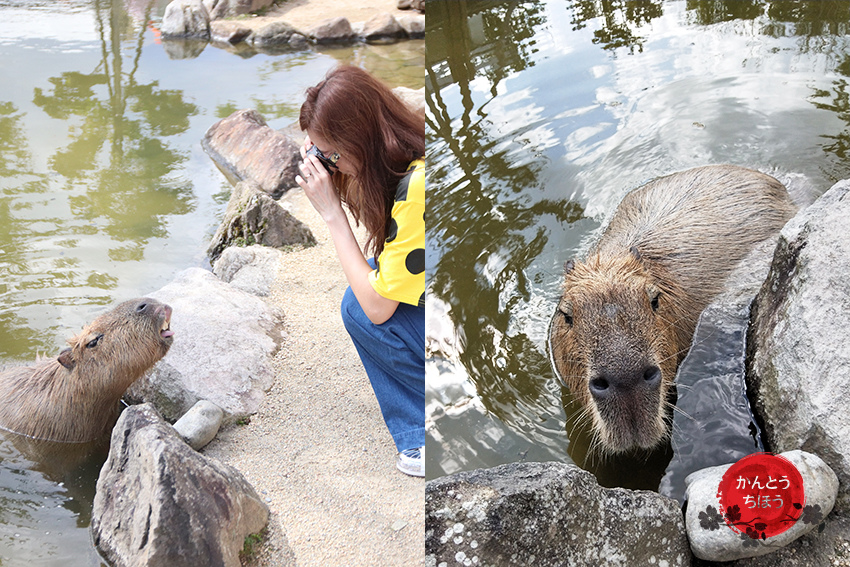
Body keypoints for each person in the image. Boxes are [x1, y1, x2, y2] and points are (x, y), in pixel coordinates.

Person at [295, 65, 425, 477]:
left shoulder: (418, 187)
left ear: (360, 139)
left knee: (360, 306)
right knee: (367, 279)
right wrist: (335, 171)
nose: (330, 164)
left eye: (333, 154)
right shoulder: (408, 154)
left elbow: (377, 309)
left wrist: (332, 213)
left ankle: (423, 434)